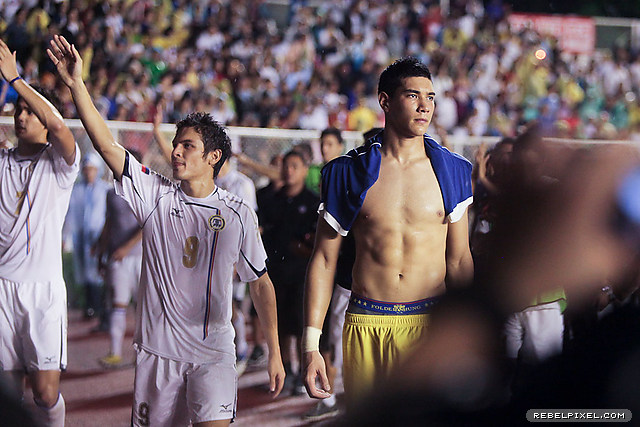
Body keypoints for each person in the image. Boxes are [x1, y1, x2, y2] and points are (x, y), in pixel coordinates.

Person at [48, 35, 284, 426]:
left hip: (214, 354)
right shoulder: (155, 194)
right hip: (158, 353)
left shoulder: (239, 211)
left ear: (213, 157)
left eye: (187, 146)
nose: (175, 151)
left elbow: (260, 282)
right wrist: (76, 85)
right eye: (175, 144)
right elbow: (107, 145)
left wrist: (273, 350)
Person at [303, 57, 474, 407]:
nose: (425, 106)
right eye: (413, 96)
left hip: (432, 325)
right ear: (385, 101)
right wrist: (311, 346)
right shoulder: (346, 173)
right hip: (366, 322)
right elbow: (323, 260)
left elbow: (458, 261)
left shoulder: (454, 171)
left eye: (430, 97)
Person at [0, 39, 79, 427]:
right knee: (8, 396)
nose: (21, 117)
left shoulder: (61, 165)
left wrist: (16, 79)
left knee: (45, 393)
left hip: (43, 291)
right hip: (2, 289)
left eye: (31, 111)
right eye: (17, 110)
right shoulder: (1, 159)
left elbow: (60, 126)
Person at [259, 149, 319, 395]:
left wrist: (305, 247)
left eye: (295, 165)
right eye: (286, 165)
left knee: (303, 325)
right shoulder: (271, 198)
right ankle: (286, 371)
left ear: (306, 169)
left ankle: (307, 372)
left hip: (303, 274)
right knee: (280, 325)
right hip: (275, 272)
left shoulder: (314, 201)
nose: (289, 170)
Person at [94, 151, 144, 368]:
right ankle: (114, 352)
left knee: (143, 308)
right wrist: (100, 249)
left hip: (142, 257)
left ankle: (142, 353)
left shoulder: (144, 189)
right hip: (117, 257)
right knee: (118, 304)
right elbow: (108, 222)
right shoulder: (111, 192)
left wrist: (127, 247)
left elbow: (148, 225)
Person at [215, 159, 258, 375]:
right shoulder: (209, 180)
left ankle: (240, 350)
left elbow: (248, 225)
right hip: (212, 254)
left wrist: (239, 259)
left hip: (234, 254)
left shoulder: (242, 184)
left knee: (234, 304)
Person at [65, 152, 110, 325]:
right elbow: (69, 214)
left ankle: (99, 307)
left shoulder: (104, 189)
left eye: (91, 169)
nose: (88, 172)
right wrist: (66, 235)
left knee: (98, 271)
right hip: (80, 236)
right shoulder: (76, 190)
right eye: (86, 169)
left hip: (98, 236)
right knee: (83, 271)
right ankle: (89, 306)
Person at [305, 127, 345, 195]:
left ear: (340, 147)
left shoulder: (347, 172)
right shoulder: (311, 172)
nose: (324, 148)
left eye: (329, 144)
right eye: (322, 144)